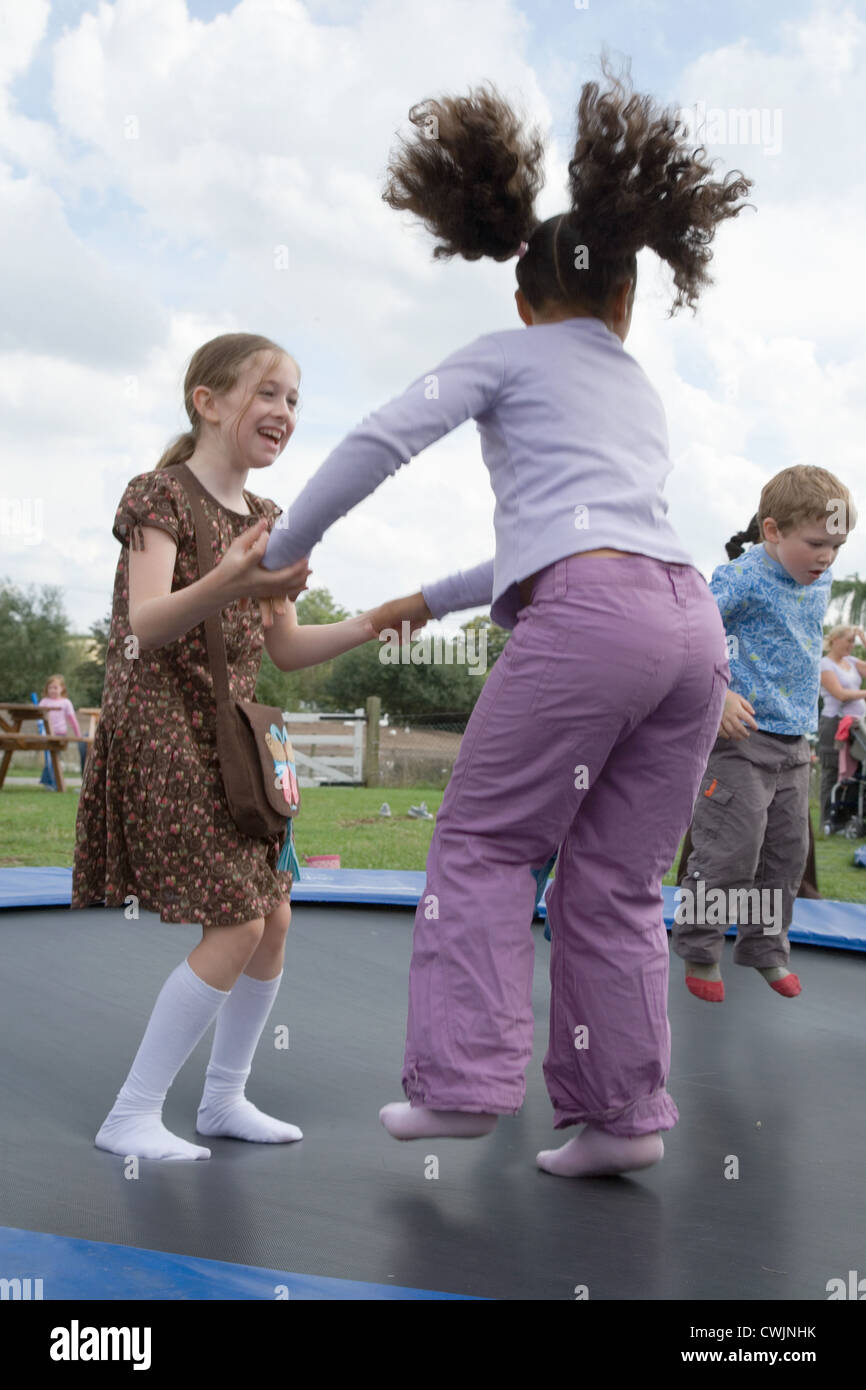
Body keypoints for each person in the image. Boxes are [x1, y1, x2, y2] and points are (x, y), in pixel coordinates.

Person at [265, 67, 752, 1177]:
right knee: (617, 882)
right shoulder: (633, 387)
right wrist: (419, 601)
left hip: (592, 623)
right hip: (686, 630)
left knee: (484, 843)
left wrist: (287, 547)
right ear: (627, 298)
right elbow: (568, 540)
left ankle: (462, 1085)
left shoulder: (506, 352)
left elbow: (381, 440)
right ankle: (623, 1120)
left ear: (521, 298)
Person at [71, 332, 424, 1161]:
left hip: (237, 738)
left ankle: (223, 1099)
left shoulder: (271, 520)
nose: (285, 413)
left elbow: (288, 649)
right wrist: (232, 576)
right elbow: (145, 625)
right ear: (209, 400)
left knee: (273, 920)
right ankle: (130, 1113)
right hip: (163, 727)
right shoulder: (157, 496)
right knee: (234, 924)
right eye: (269, 394)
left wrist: (376, 621)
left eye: (296, 400)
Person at [671, 469, 856, 1004]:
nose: (826, 558)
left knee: (786, 855)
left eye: (837, 547)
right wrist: (719, 695)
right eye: (816, 544)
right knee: (730, 848)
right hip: (740, 741)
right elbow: (691, 634)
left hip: (795, 743)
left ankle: (765, 949)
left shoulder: (815, 579)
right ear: (772, 531)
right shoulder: (739, 578)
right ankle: (701, 946)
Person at [817, 625, 866, 830]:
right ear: (835, 640)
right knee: (832, 770)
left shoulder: (852, 662)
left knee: (855, 771)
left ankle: (847, 816)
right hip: (834, 724)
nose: (851, 645)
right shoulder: (824, 664)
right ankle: (827, 820)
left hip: (857, 725)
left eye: (853, 642)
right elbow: (841, 694)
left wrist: (864, 639)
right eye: (848, 640)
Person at [37, 675, 84, 786]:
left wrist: (78, 735)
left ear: (62, 688)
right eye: (50, 688)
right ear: (47, 689)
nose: (52, 690)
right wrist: (42, 731)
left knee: (54, 757)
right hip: (47, 734)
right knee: (50, 758)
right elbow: (38, 718)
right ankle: (51, 782)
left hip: (60, 734)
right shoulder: (44, 702)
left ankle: (50, 781)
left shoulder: (66, 703)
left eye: (55, 687)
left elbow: (72, 720)